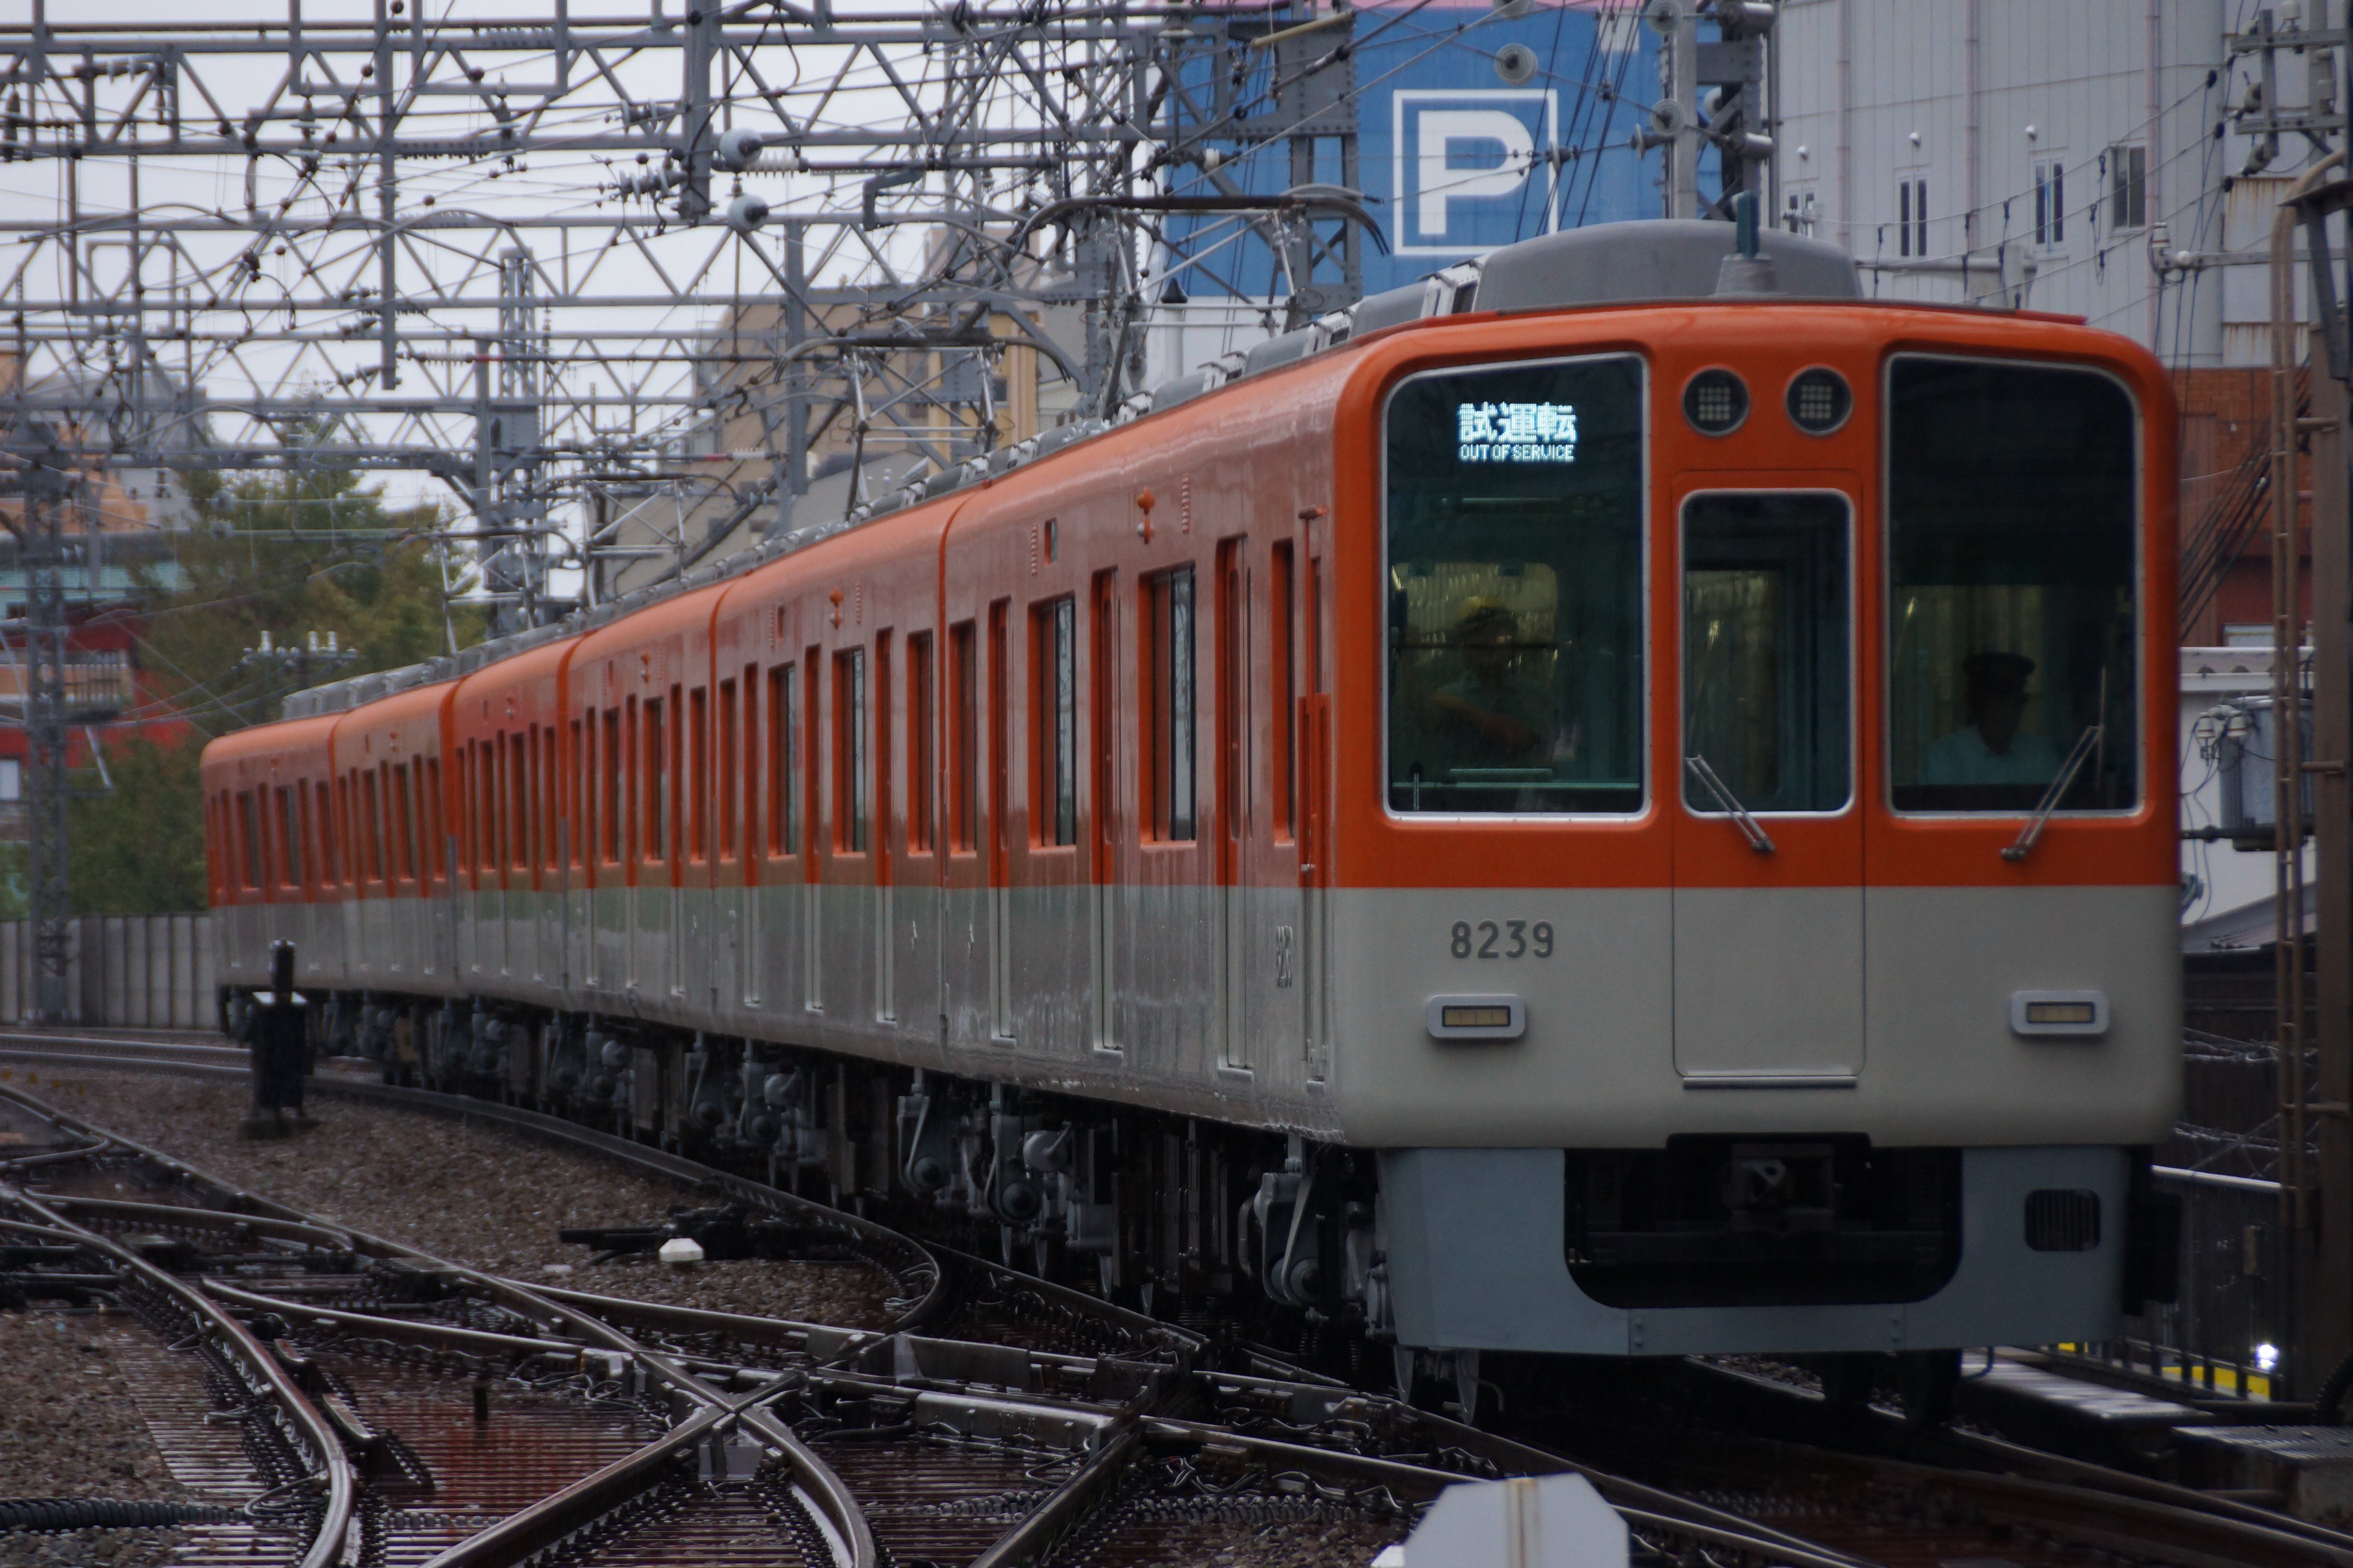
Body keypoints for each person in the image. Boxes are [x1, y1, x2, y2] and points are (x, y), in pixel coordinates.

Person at [1423, 598, 1554, 768]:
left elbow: (1517, 738)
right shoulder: (1447, 695)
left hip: (1524, 793)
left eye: (1497, 634)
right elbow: (1425, 725)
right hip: (1459, 794)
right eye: (1478, 634)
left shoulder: (1537, 694)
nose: (1489, 642)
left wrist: (1463, 709)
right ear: (1464, 647)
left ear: (1513, 645)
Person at [1921, 650, 2064, 787]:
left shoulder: (2042, 755)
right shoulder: (1944, 756)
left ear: (2022, 703)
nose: (2000, 709)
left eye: (2009, 699)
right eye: (1990, 699)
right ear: (1973, 703)